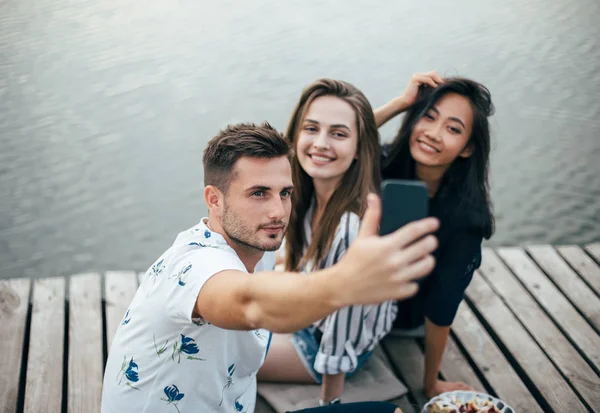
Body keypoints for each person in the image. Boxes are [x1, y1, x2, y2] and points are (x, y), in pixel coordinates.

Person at [100, 122, 440, 413]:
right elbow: (249, 303)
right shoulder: (194, 265)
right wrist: (345, 282)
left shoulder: (245, 246)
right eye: (259, 193)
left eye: (285, 193)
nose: (278, 211)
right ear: (214, 199)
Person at [258, 79, 397, 406]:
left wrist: (328, 406)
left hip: (322, 344)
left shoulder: (352, 227)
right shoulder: (305, 193)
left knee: (220, 355)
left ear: (359, 148)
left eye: (338, 133)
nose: (320, 143)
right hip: (306, 309)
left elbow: (340, 334)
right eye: (311, 128)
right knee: (213, 320)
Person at [375, 72, 495, 398]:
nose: (433, 133)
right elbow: (334, 144)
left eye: (453, 128)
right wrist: (401, 103)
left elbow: (442, 307)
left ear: (468, 148)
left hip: (403, 319)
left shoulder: (468, 218)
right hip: (350, 295)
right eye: (428, 117)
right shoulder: (384, 162)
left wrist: (431, 383)